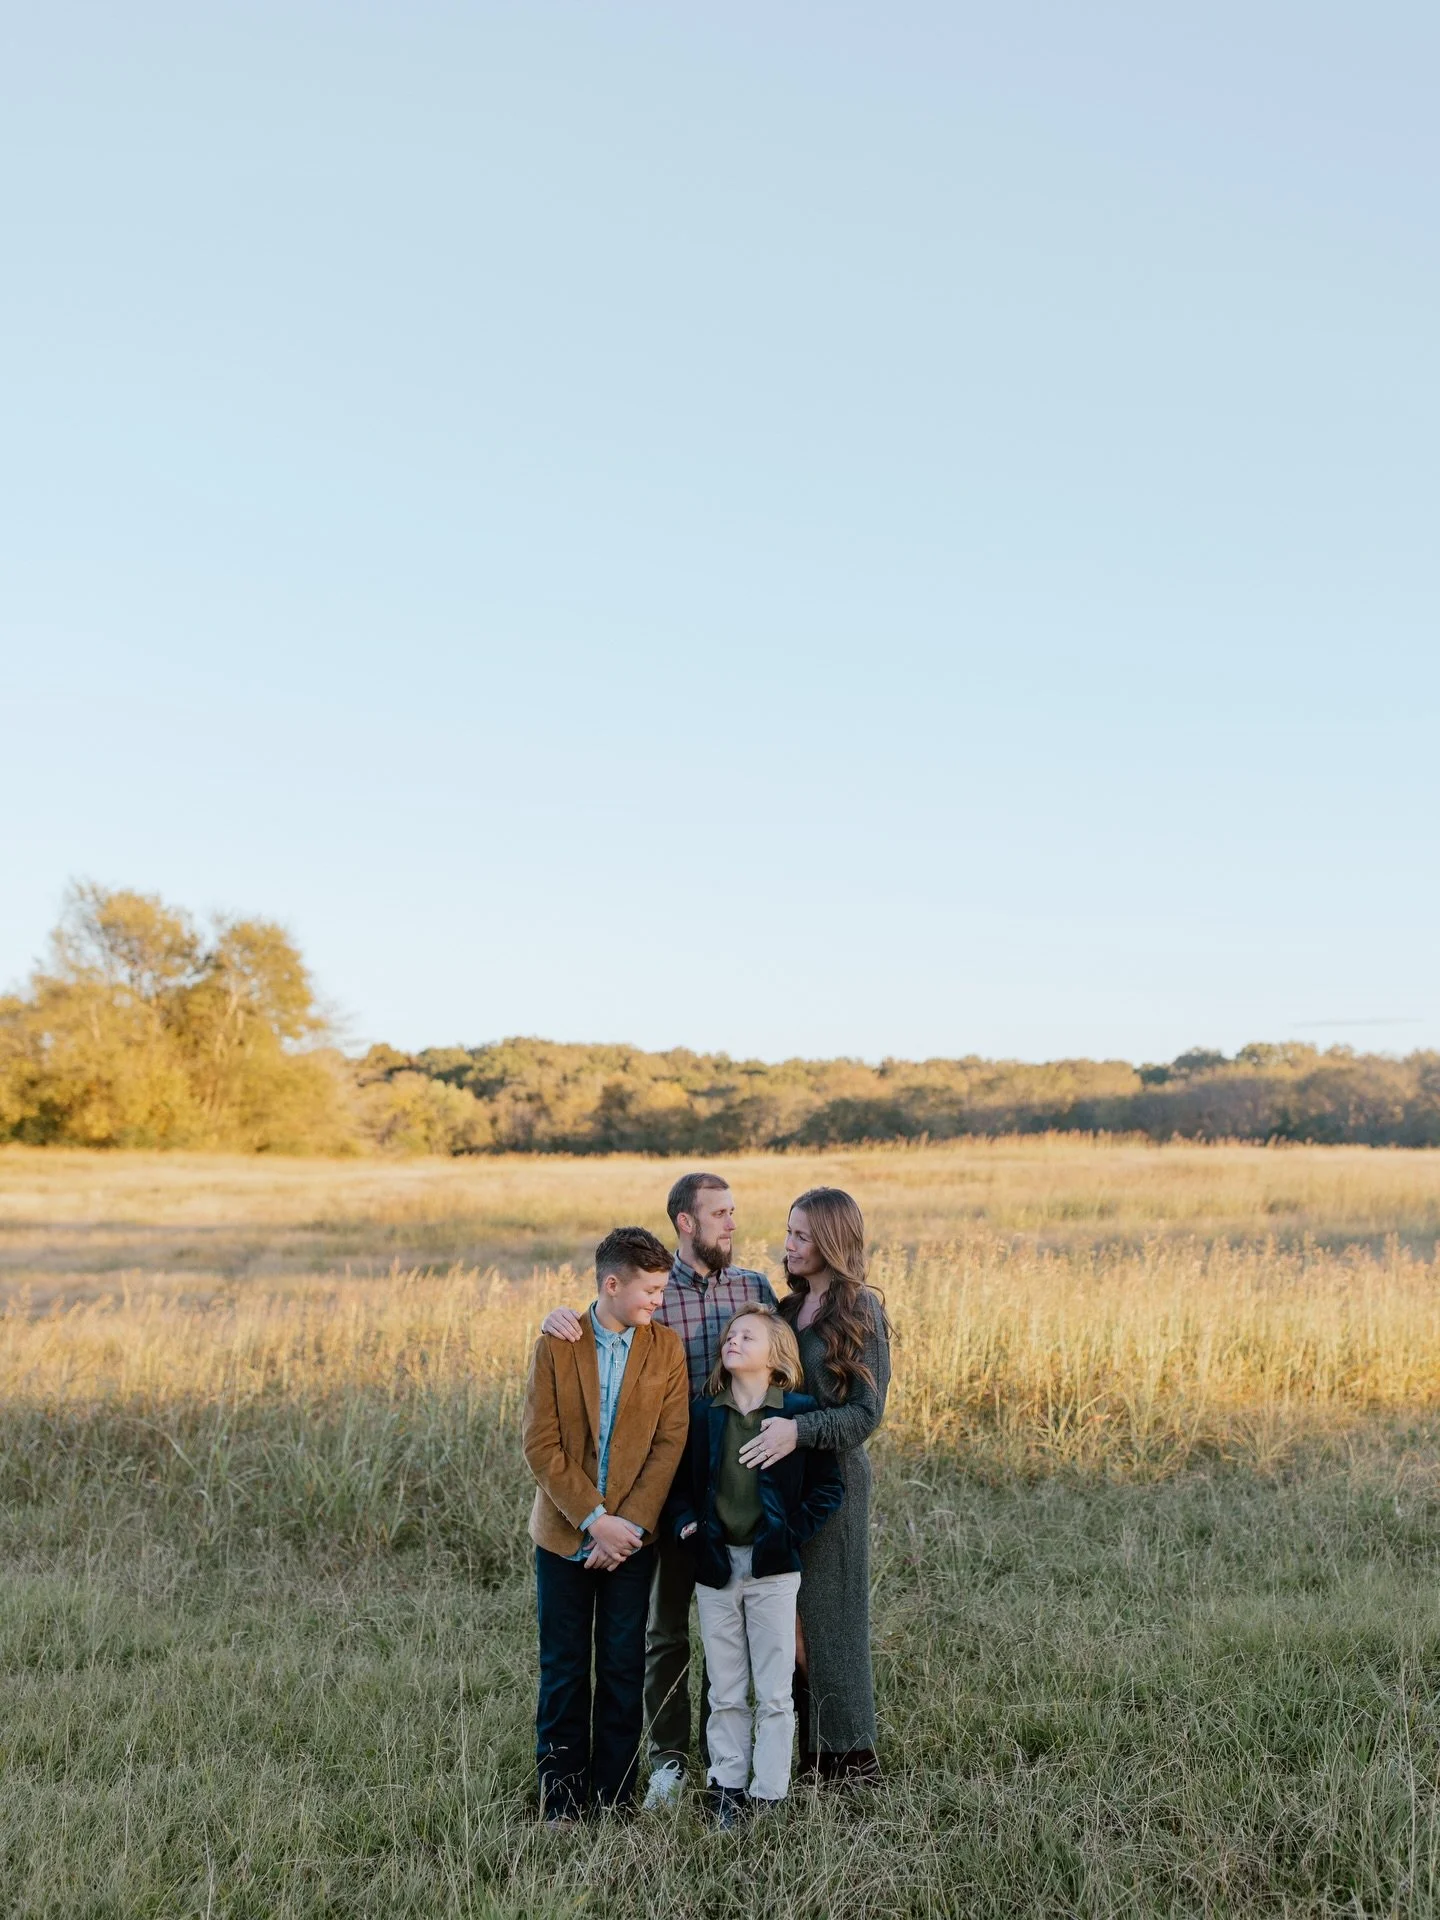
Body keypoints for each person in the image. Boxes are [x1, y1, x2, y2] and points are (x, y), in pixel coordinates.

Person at [540, 1171, 777, 1807]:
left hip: (734, 1480)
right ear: (686, 1222)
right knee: (663, 1630)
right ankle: (667, 1759)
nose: (732, 1223)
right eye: (719, 1213)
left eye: (733, 1211)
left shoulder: (753, 1288)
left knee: (729, 1631)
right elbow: (601, 1321)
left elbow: (781, 1357)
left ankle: (726, 1760)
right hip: (661, 1491)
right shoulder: (653, 1292)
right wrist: (555, 1317)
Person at [522, 1225, 690, 1824]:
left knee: (622, 1667)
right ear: (612, 1284)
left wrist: (628, 1528)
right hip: (564, 1535)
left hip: (632, 1543)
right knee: (564, 1669)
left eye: (663, 1290)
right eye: (650, 1290)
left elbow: (669, 1445)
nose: (659, 1301)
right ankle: (562, 1802)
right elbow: (541, 1445)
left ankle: (613, 1800)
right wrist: (595, 1521)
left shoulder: (665, 1349)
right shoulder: (557, 1344)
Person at [665, 1304, 843, 1826]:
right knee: (724, 1688)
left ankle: (769, 1792)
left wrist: (788, 1534)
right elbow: (679, 1488)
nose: (733, 1341)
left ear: (776, 1356)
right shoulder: (704, 1413)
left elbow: (828, 1488)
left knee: (774, 1689)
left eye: (748, 1336)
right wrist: (689, 1527)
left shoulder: (798, 1413)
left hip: (773, 1569)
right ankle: (726, 1787)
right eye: (730, 1335)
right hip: (716, 1566)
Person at [736, 1187, 891, 1782]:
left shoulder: (861, 1311)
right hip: (781, 1484)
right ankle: (798, 1749)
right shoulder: (787, 1307)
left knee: (833, 1619)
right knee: (788, 1619)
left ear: (830, 1241)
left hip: (835, 1484)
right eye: (789, 1231)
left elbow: (866, 1415)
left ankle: (848, 1758)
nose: (790, 1244)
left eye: (802, 1235)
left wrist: (798, 1432)